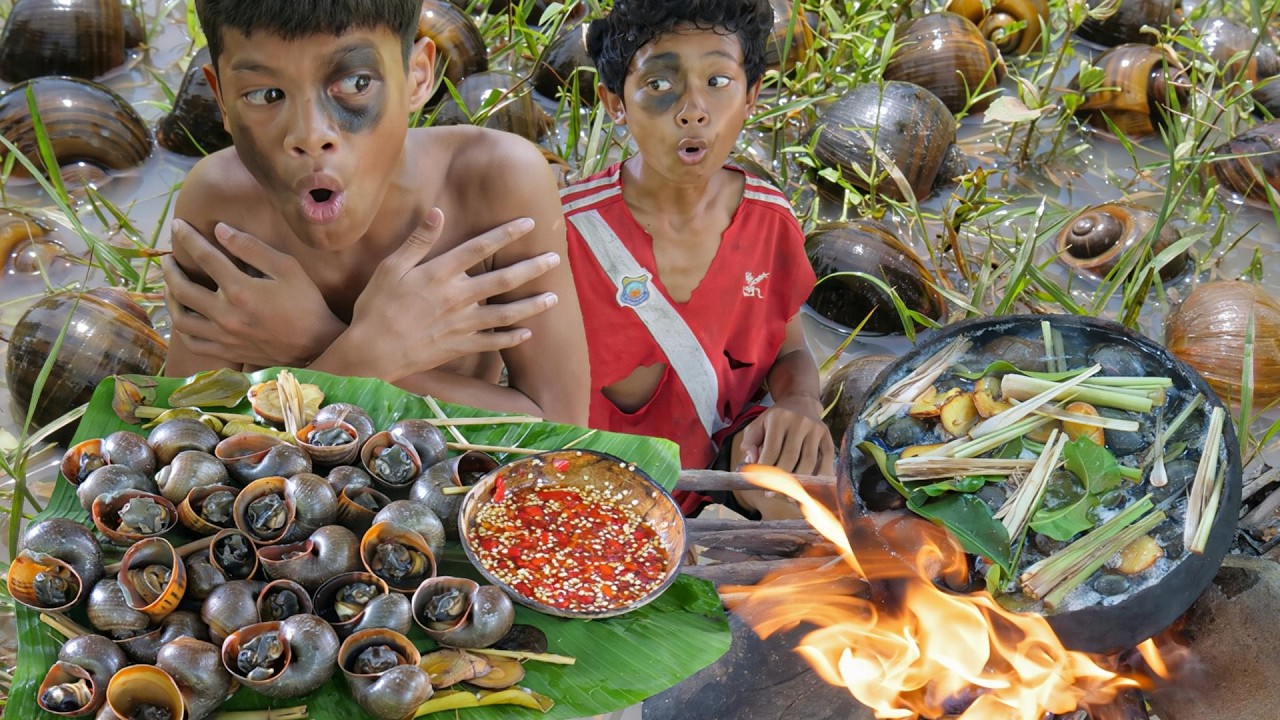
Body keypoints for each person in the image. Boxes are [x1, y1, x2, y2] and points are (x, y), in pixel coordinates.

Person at [163, 0, 589, 424]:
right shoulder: (220, 206)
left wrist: (316, 345)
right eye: (265, 95)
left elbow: (565, 429)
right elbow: (185, 428)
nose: (310, 135)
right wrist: (367, 353)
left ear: (418, 76)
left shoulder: (495, 182)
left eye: (356, 83)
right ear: (221, 98)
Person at [564, 0, 834, 515]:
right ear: (614, 102)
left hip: (722, 468)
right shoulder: (570, 232)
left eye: (717, 81)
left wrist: (801, 406)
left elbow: (791, 350)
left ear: (752, 94)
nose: (693, 109)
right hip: (595, 485)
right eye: (660, 85)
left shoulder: (769, 221)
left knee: (807, 492)